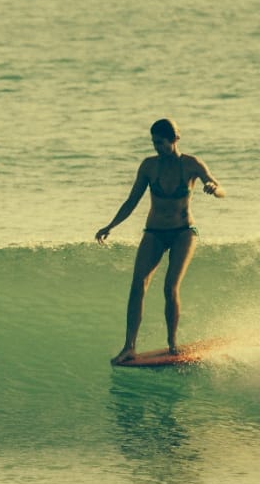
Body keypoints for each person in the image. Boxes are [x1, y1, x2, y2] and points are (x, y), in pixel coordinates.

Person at [96, 118, 225, 364]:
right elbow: (131, 201)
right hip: (154, 232)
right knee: (137, 286)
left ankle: (172, 343)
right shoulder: (148, 166)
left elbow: (220, 187)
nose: (157, 147)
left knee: (170, 287)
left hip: (183, 232)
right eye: (154, 143)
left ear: (174, 139)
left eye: (161, 142)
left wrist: (212, 187)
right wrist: (110, 226)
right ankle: (129, 347)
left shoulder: (191, 164)